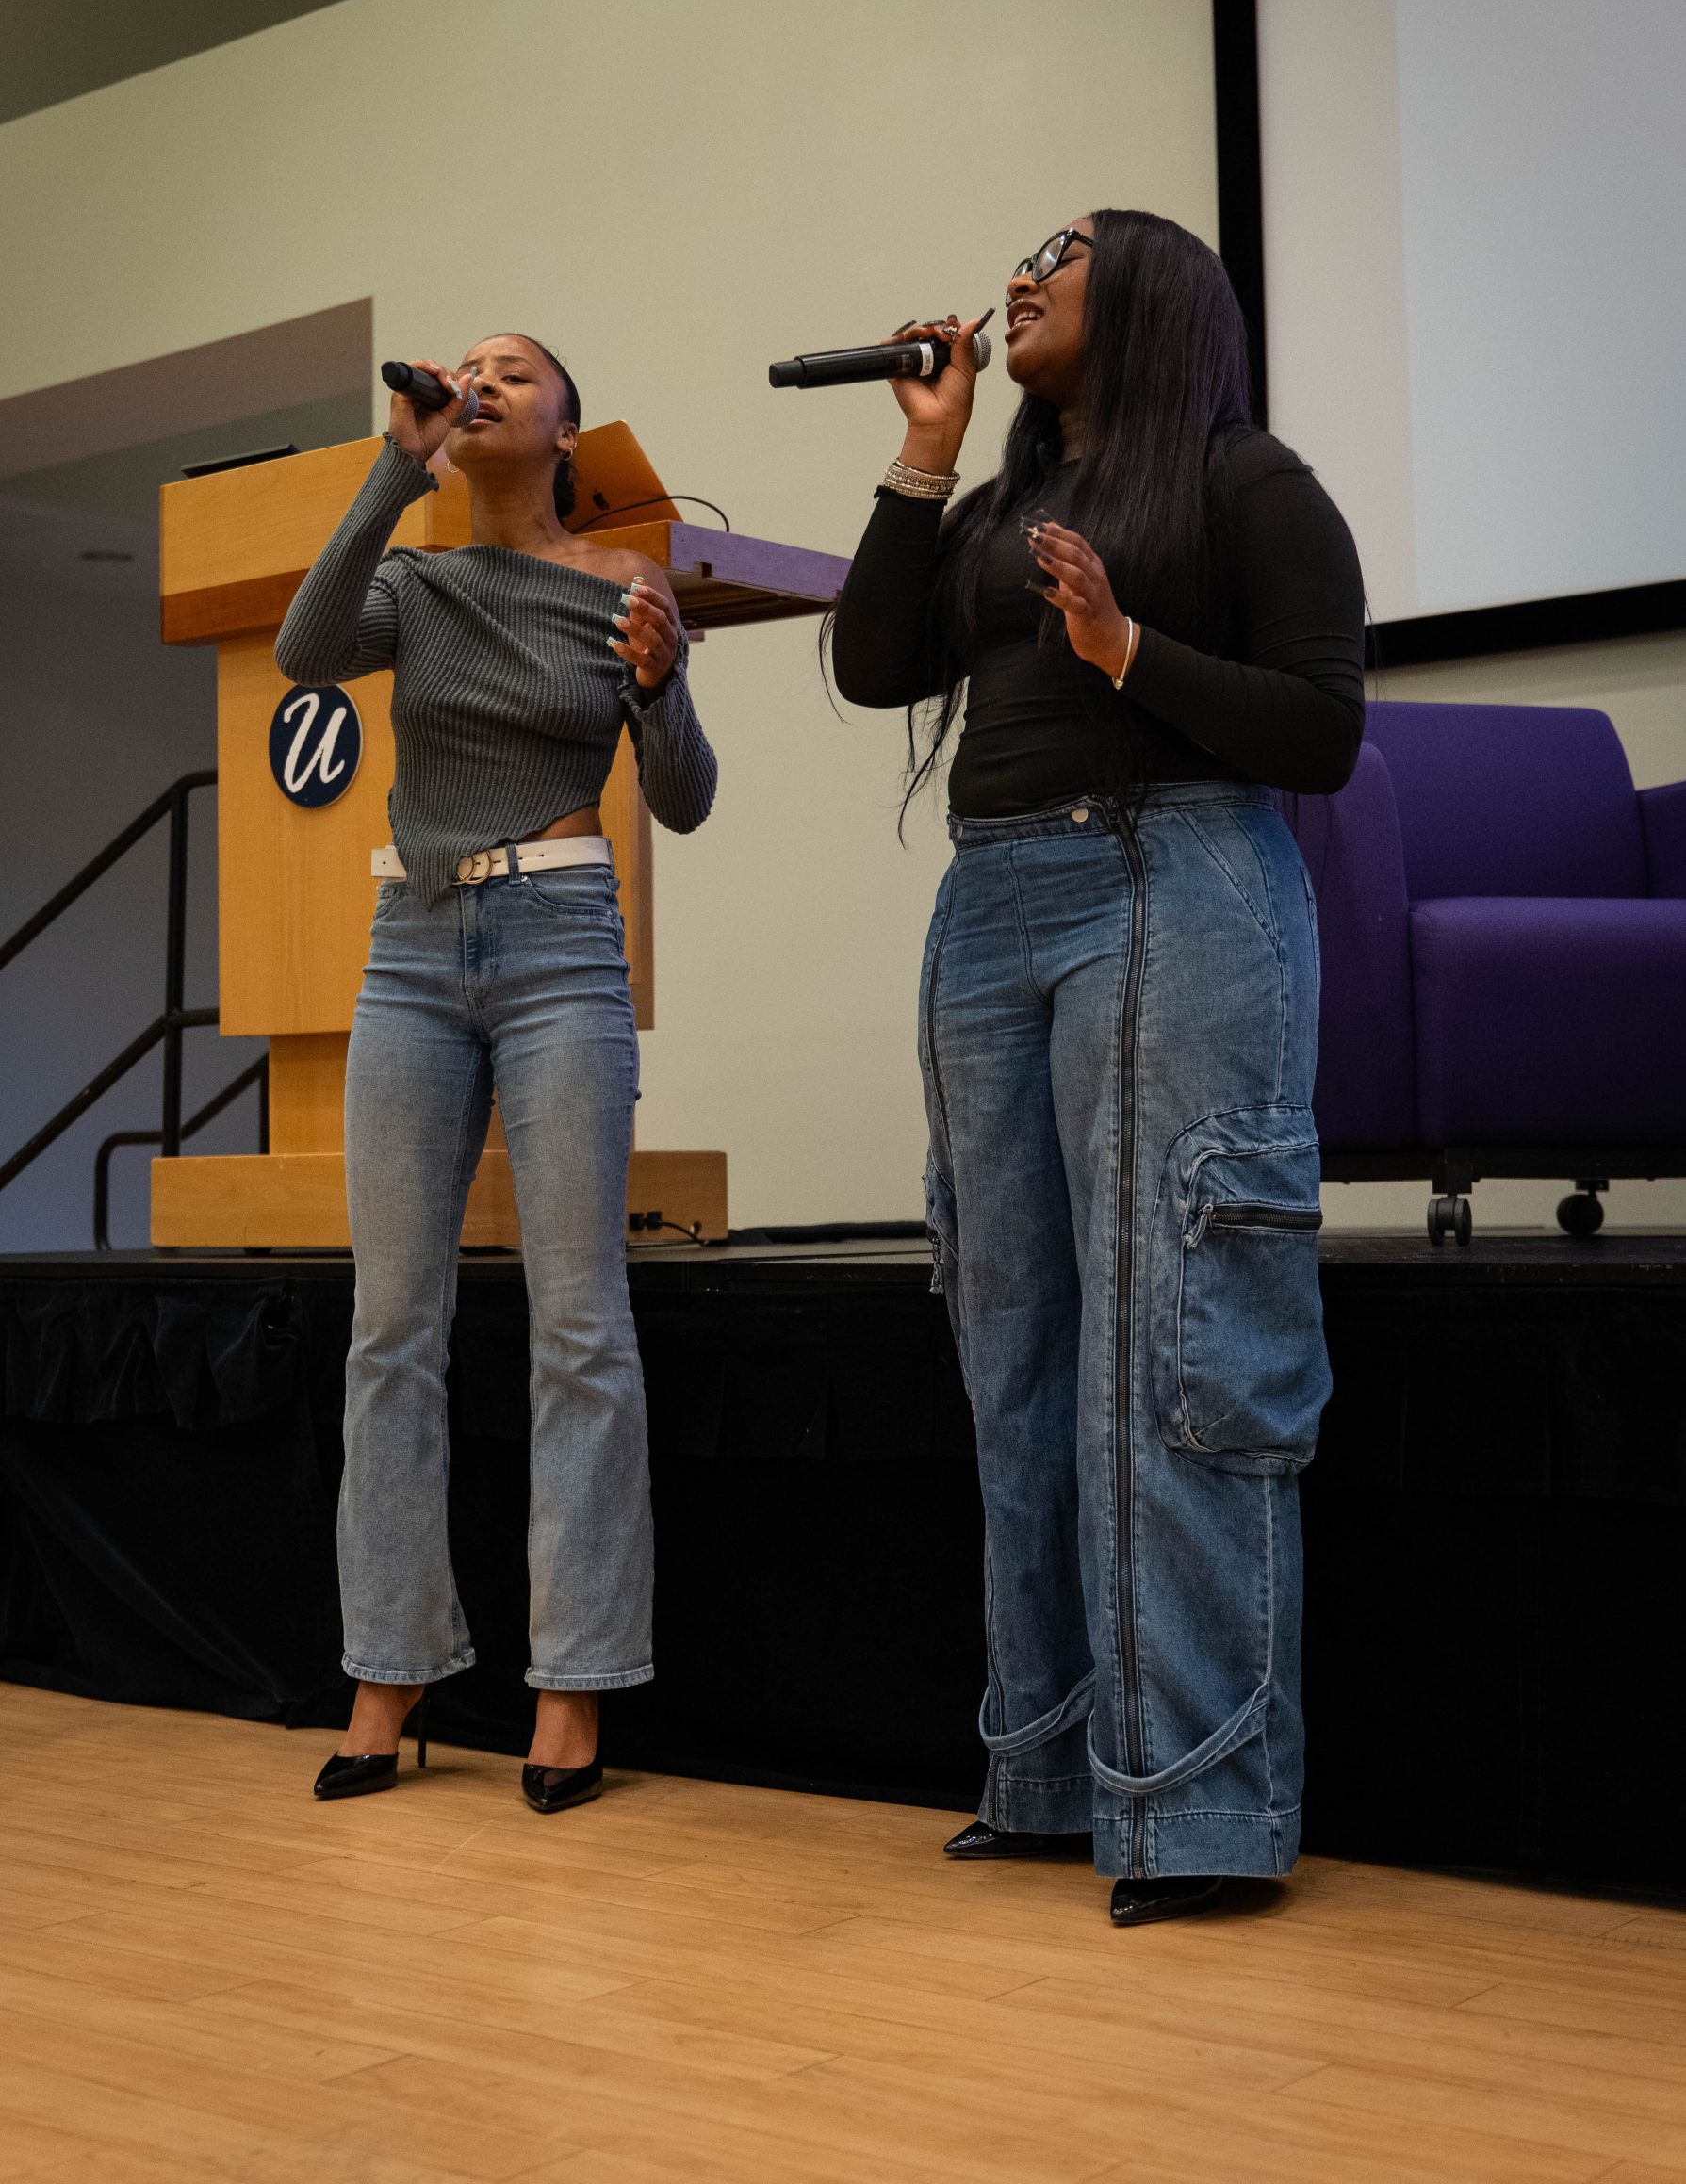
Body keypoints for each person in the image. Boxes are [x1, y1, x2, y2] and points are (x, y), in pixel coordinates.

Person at [830, 212, 1365, 1924]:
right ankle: (1051, 1773)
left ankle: (1195, 1808)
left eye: (1060, 253)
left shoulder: (1241, 478)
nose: (1020, 272)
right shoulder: (999, 503)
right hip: (991, 905)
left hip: (1172, 879)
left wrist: (1130, 651)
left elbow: (1323, 728)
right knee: (1017, 1349)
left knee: (1176, 1343)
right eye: (1022, 253)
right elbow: (870, 663)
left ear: (1146, 297)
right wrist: (922, 458)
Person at [277, 334, 716, 1812]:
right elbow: (305, 652)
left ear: (564, 429)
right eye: (464, 368)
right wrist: (391, 469)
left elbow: (684, 798)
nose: (478, 381)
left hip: (559, 940)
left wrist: (660, 686)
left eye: (512, 372)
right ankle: (388, 1670)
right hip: (409, 944)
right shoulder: (418, 580)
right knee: (389, 1325)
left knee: (577, 1322)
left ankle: (572, 1684)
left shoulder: (623, 580)